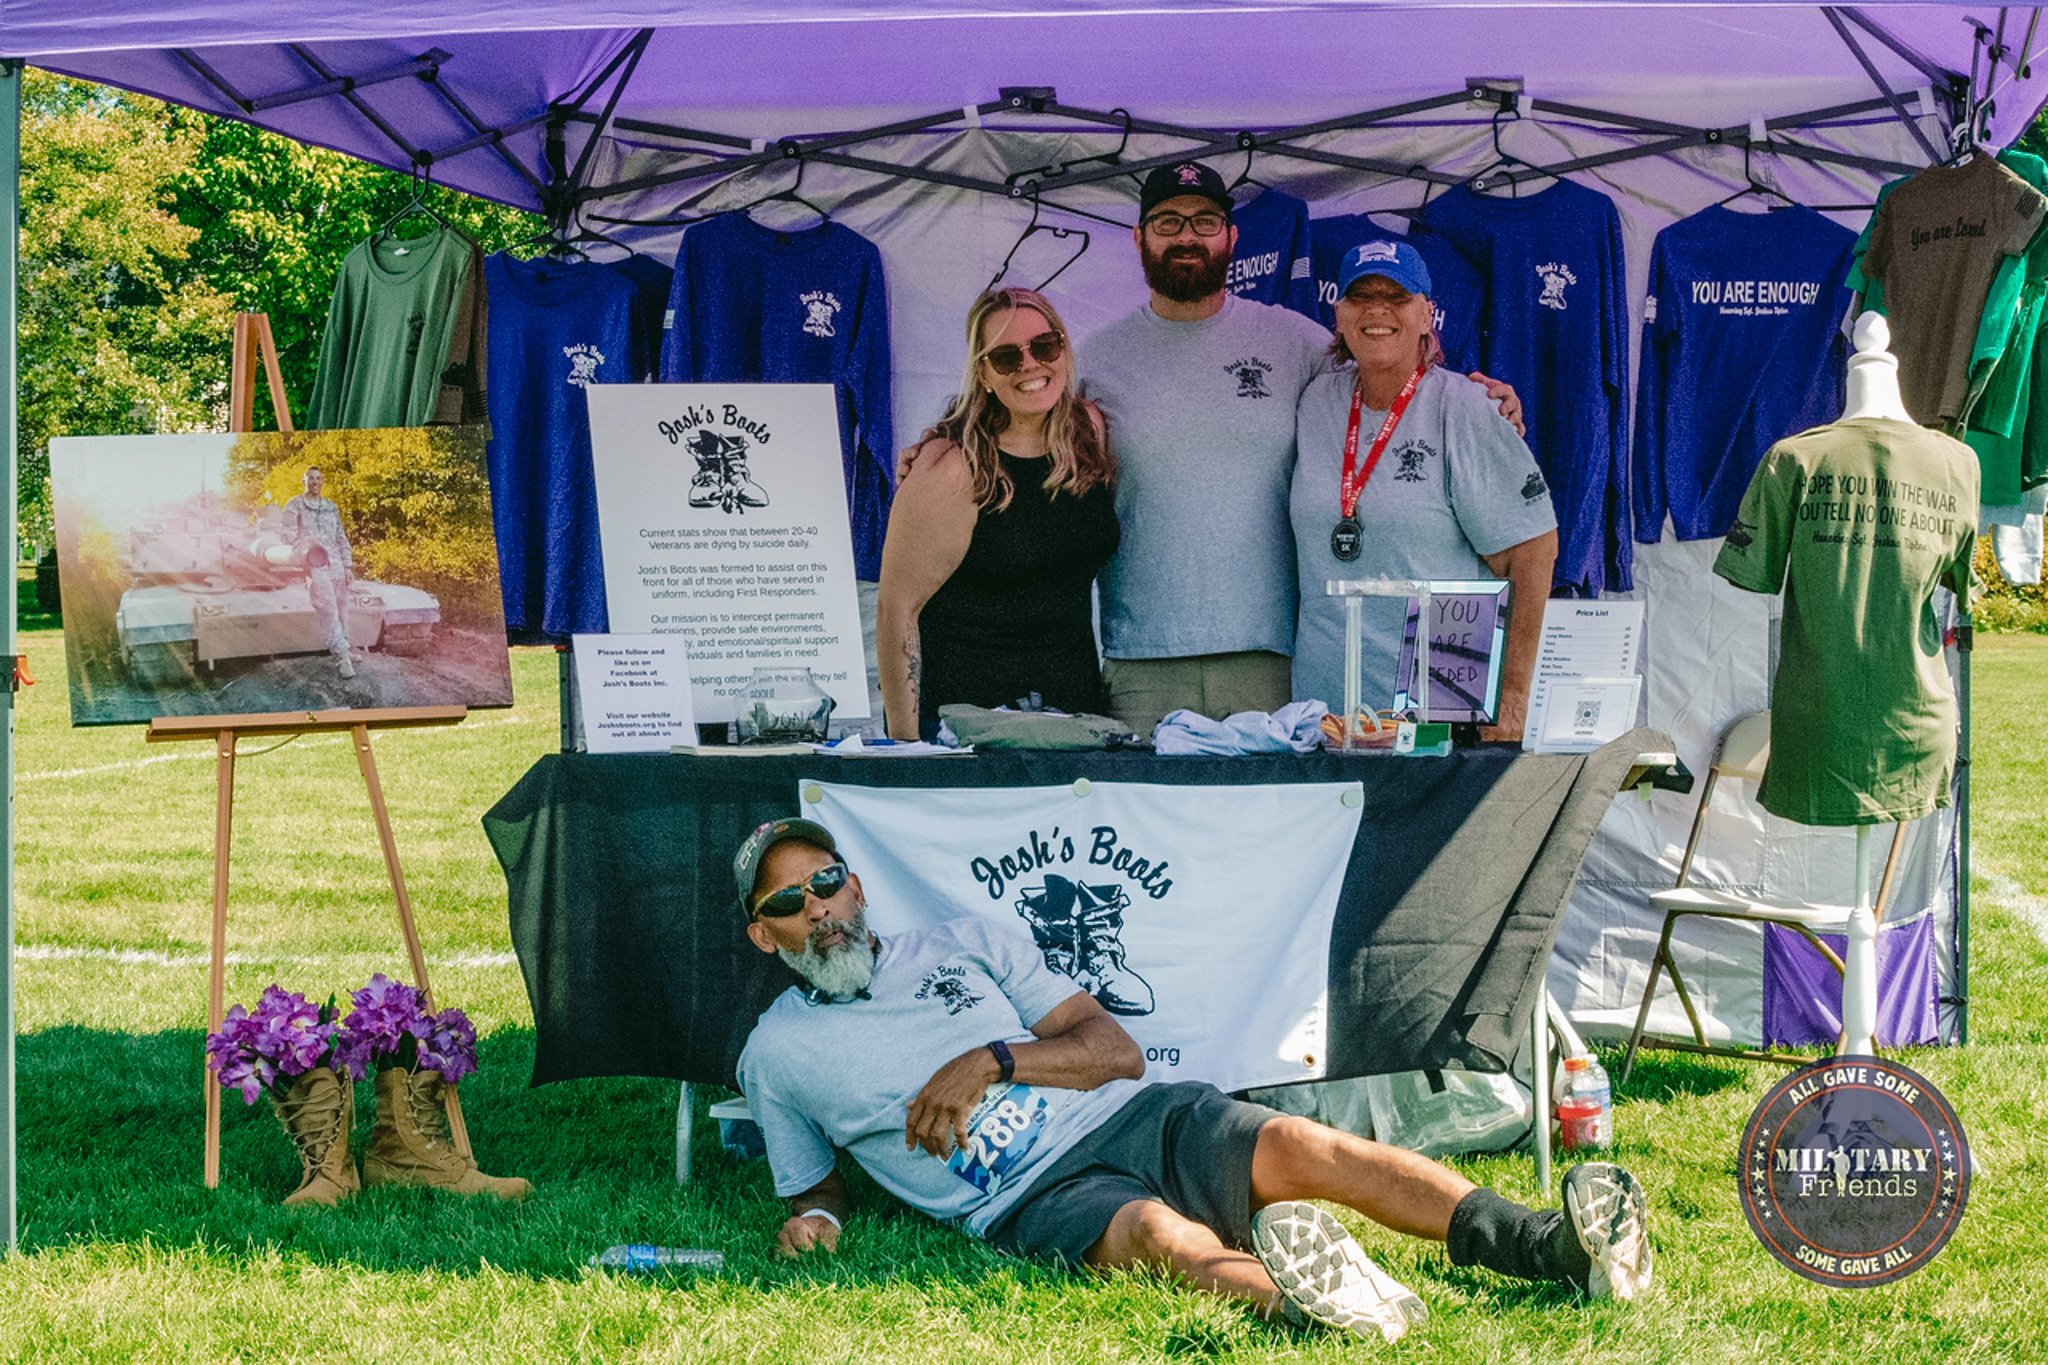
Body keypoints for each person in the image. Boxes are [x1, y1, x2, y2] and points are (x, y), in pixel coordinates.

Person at [732, 816, 1653, 1344]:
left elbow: (1115, 1049)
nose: (817, 907)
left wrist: (990, 1061)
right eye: (788, 901)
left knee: (1302, 1143)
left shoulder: (963, 943)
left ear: (859, 887)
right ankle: (1318, 1303)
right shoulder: (776, 1055)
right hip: (1023, 1193)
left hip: (1127, 1110)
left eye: (828, 880)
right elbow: (816, 1184)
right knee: (1153, 1234)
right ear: (762, 932)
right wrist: (818, 1216)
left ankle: (1546, 1247)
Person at [900, 162, 1524, 736]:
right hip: (1140, 665)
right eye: (1168, 222)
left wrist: (1482, 396)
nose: (1186, 237)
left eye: (1204, 222)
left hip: (1274, 662)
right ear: (1139, 239)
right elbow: (1017, 416)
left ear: (1230, 238)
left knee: (1267, 840)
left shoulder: (1296, 342)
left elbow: (1390, 369)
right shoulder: (1090, 358)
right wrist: (938, 446)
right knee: (1148, 847)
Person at [1291, 241, 1559, 741]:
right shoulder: (1314, 403)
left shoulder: (1466, 408)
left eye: (1396, 297)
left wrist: (1515, 692)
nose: (1377, 310)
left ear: (1426, 314)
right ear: (1340, 315)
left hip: (1435, 716)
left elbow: (1533, 547)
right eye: (1361, 295)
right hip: (1326, 716)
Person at [877, 289, 1118, 738]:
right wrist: (906, 745)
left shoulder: (1089, 434)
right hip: (971, 729)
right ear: (983, 373)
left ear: (1064, 347)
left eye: (1045, 346)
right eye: (1006, 356)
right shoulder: (951, 468)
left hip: (1075, 721)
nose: (1030, 364)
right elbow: (897, 610)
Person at [282, 465, 357, 680]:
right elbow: (287, 535)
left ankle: (346, 646)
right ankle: (342, 657)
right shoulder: (294, 505)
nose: (315, 482)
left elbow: (341, 537)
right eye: (310, 479)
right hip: (315, 564)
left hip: (336, 564)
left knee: (343, 609)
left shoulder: (330, 507)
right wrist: (304, 546)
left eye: (318, 478)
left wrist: (348, 566)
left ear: (322, 481)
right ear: (303, 481)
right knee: (329, 611)